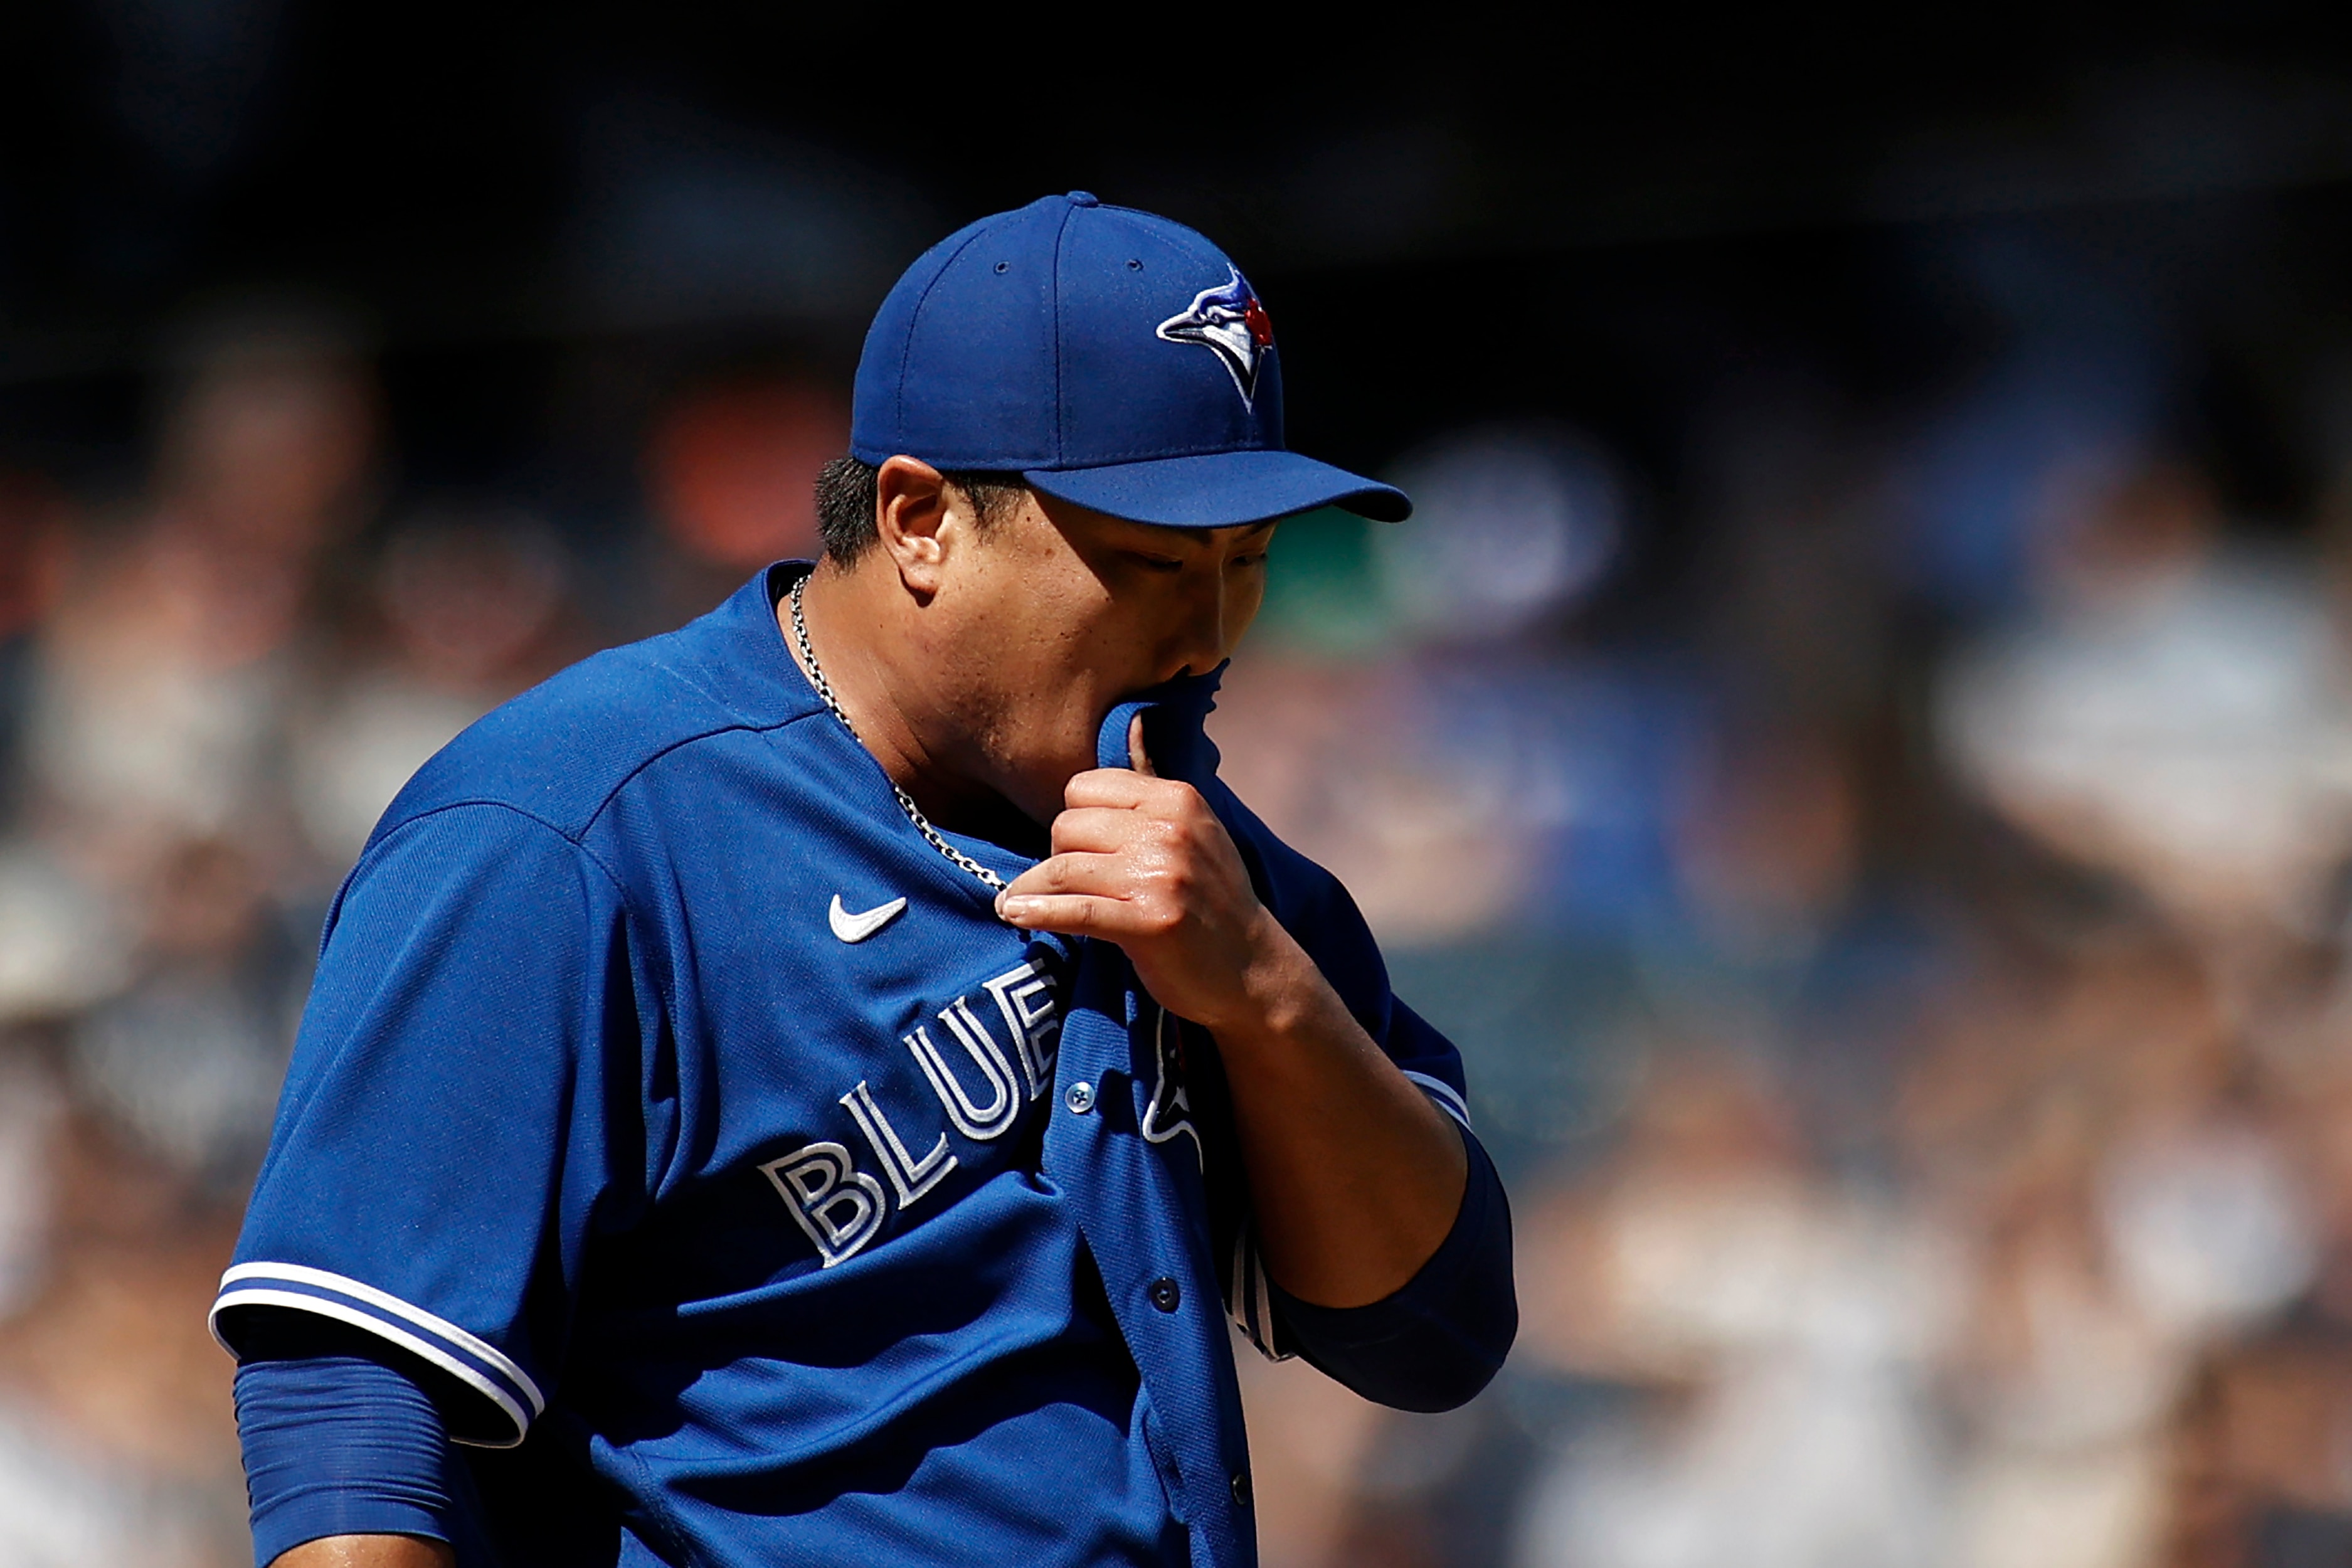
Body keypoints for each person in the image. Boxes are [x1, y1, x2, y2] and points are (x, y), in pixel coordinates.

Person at [213, 192, 1516, 1568]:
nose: (1205, 631)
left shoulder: (1201, 859)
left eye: (1246, 562)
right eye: (1147, 564)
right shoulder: (568, 826)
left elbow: (1433, 1328)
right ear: (918, 519)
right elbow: (349, 1401)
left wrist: (1260, 994)